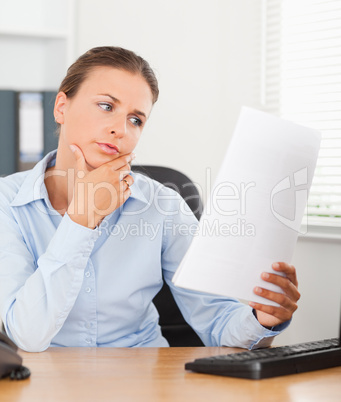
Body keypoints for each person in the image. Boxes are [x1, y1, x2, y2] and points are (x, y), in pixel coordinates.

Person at [0, 46, 300, 352]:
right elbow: (28, 335)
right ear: (61, 107)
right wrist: (81, 219)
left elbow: (218, 320)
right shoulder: (6, 203)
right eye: (106, 106)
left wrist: (263, 318)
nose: (120, 129)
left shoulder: (164, 205)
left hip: (146, 378)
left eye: (136, 120)